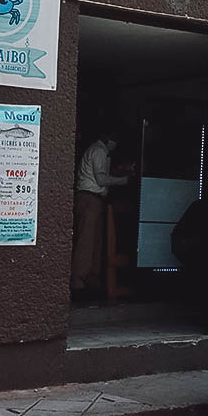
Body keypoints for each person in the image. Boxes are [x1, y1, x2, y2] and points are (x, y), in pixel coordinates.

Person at [71, 127, 131, 296]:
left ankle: (87, 278)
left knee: (93, 241)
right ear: (106, 137)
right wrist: (125, 180)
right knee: (86, 241)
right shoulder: (98, 151)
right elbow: (101, 179)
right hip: (90, 198)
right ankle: (78, 280)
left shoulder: (98, 151)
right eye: (113, 138)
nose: (115, 142)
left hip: (93, 199)